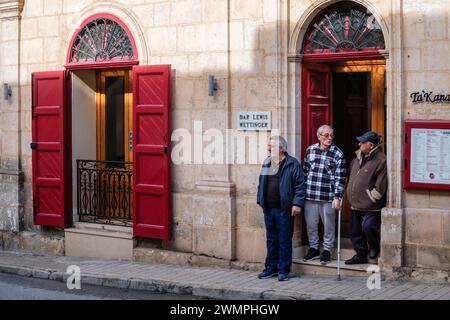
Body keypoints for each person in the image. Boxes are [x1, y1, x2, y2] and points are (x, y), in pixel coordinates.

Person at [256, 135, 306, 281]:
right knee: (271, 240)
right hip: (269, 209)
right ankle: (270, 268)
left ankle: (283, 270)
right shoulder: (267, 162)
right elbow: (261, 183)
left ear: (281, 149)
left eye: (271, 146)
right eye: (269, 146)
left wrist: (297, 204)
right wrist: (260, 200)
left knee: (284, 240)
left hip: (284, 210)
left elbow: (300, 186)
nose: (268, 148)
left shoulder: (292, 164)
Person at [303, 125, 346, 264]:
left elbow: (340, 178)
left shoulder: (338, 154)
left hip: (328, 196)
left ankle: (327, 250)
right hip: (310, 194)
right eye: (326, 135)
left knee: (328, 225)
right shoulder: (310, 150)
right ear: (319, 136)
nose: (329, 138)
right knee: (311, 224)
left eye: (331, 135)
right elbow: (305, 172)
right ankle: (314, 248)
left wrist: (337, 197)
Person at [345, 131, 387, 264]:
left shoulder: (381, 160)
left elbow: (381, 184)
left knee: (368, 227)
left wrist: (372, 198)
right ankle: (361, 254)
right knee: (355, 232)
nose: (359, 144)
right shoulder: (356, 158)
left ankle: (374, 245)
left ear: (371, 145)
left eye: (362, 142)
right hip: (355, 203)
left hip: (371, 205)